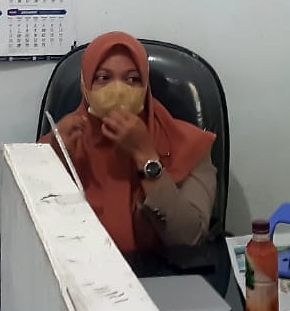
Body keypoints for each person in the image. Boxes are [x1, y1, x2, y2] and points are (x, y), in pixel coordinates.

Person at [46, 32, 218, 253]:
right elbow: (37, 231)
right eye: (103, 78)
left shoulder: (190, 145)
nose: (118, 90)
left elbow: (190, 238)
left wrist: (146, 157)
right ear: (85, 86)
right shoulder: (59, 142)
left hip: (158, 270)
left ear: (146, 87)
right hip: (75, 267)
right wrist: (53, 163)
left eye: (132, 79)